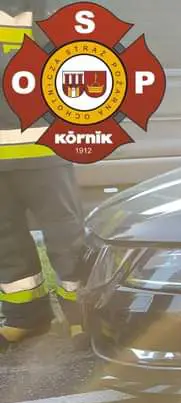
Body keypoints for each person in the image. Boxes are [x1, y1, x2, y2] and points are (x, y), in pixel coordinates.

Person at [0, 0, 87, 350]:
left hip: (45, 152)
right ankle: (26, 317)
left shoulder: (45, 18)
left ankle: (81, 316)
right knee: (6, 241)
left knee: (66, 237)